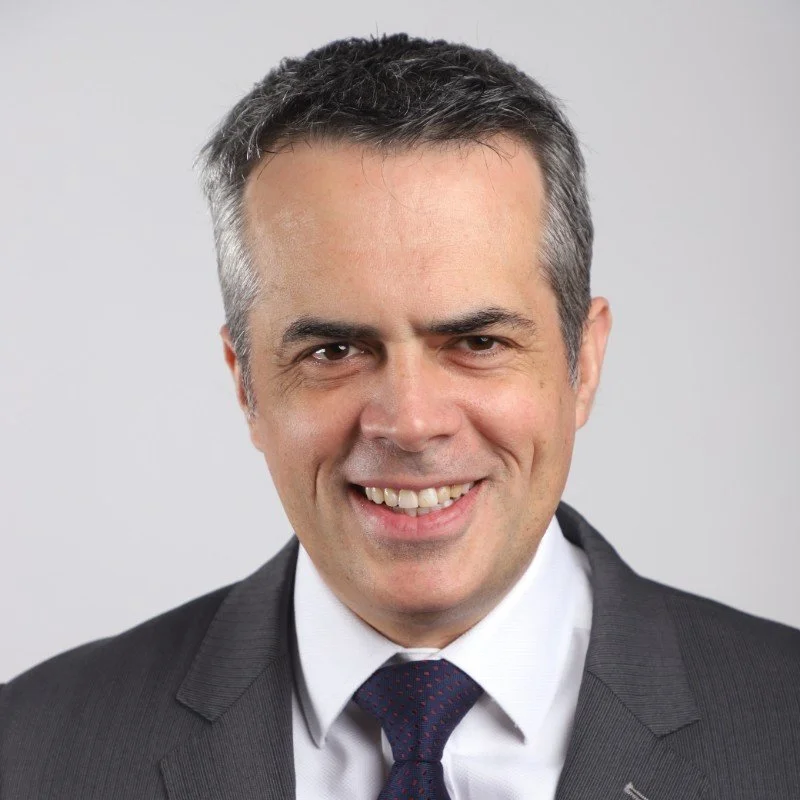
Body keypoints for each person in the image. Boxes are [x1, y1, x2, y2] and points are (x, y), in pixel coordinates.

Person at [1, 32, 798, 800]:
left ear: (582, 363)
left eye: (478, 342)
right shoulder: (30, 750)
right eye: (334, 351)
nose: (411, 424)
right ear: (245, 384)